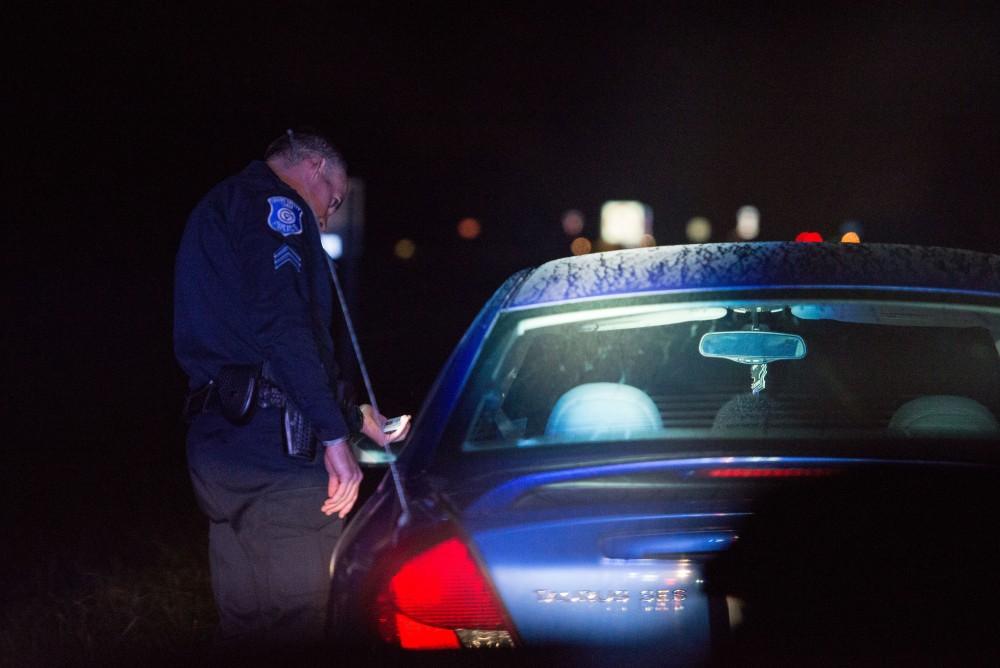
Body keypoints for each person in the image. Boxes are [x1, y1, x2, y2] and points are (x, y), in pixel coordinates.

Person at [174, 129, 409, 648]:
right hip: (276, 456)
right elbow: (283, 328)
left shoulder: (216, 207)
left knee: (245, 633)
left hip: (219, 454)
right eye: (334, 199)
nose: (327, 215)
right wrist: (334, 438)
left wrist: (353, 415)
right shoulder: (279, 207)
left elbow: (251, 344)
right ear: (317, 170)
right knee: (301, 626)